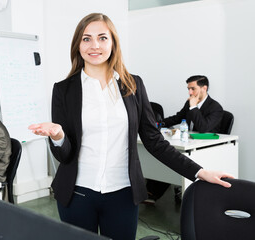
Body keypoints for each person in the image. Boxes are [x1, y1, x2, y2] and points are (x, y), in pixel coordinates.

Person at [27, 13, 233, 240]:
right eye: (86, 39)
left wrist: (199, 172)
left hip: (123, 195)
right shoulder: (63, 89)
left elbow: (154, 141)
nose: (94, 45)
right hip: (77, 194)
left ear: (113, 43)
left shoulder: (133, 84)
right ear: (78, 44)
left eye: (102, 38)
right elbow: (64, 155)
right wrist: (58, 136)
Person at [146, 75, 224, 203]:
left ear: (204, 88)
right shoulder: (189, 102)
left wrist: (193, 108)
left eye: (193, 89)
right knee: (166, 155)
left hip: (204, 150)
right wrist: (157, 124)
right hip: (188, 144)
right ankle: (152, 192)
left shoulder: (215, 107)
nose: (190, 92)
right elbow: (177, 118)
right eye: (188, 89)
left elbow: (203, 128)